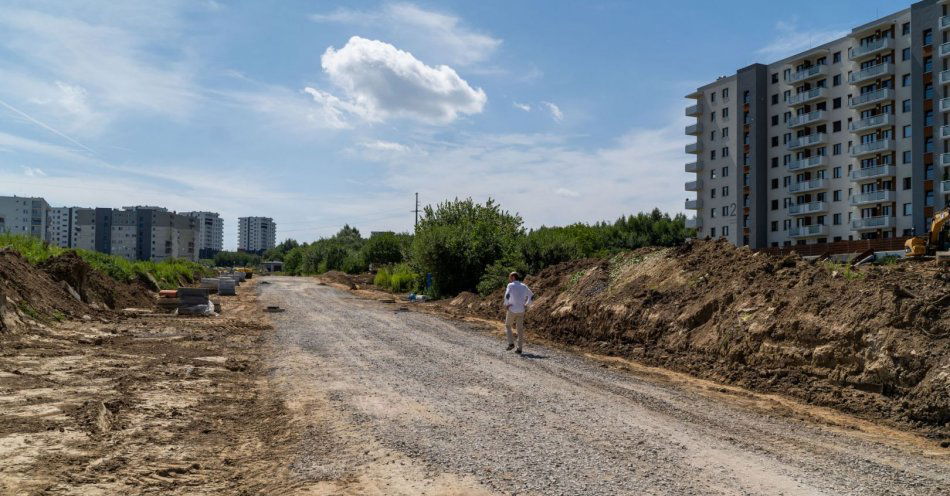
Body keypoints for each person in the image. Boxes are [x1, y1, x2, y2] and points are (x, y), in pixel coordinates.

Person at [503, 271, 533, 354]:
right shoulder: (524, 286)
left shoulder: (510, 285)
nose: (509, 279)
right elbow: (531, 295)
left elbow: (507, 295)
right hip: (521, 310)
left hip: (512, 309)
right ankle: (519, 349)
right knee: (520, 330)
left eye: (510, 277)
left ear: (513, 277)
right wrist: (526, 304)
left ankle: (511, 343)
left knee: (508, 325)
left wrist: (506, 304)